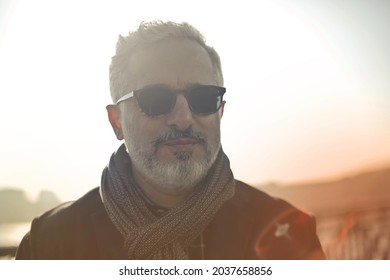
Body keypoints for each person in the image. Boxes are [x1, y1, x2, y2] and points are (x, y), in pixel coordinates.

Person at [15, 21, 325, 260]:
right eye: (155, 99)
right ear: (116, 121)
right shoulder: (51, 243)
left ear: (220, 110)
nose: (183, 117)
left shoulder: (287, 232)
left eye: (203, 98)